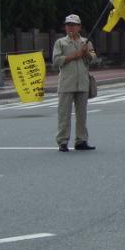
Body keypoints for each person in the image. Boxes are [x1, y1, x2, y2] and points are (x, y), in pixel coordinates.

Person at [52, 14, 97, 152]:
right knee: (64, 114)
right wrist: (76, 55)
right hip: (66, 82)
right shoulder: (61, 42)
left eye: (73, 25)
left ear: (79, 27)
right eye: (68, 25)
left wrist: (86, 53)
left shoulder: (86, 42)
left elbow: (93, 59)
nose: (70, 27)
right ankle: (63, 141)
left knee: (82, 114)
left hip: (82, 82)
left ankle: (81, 140)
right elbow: (56, 61)